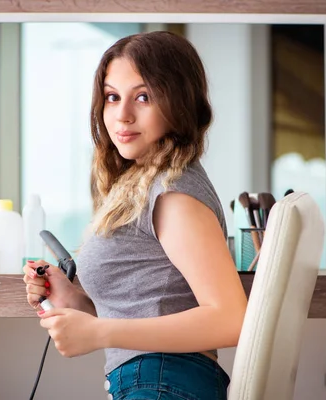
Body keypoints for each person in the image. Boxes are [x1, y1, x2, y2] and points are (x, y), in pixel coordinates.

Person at [23, 30, 247, 400]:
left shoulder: (173, 192)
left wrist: (99, 332)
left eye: (143, 96)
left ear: (179, 103)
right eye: (112, 97)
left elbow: (230, 318)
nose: (122, 115)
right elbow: (141, 310)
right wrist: (72, 300)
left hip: (164, 382)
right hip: (158, 381)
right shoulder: (144, 184)